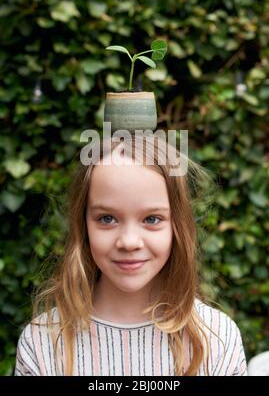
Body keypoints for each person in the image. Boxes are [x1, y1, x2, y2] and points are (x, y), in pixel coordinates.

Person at [14, 134, 248, 376]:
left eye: (151, 219)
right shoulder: (42, 343)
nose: (128, 242)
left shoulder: (217, 339)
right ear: (83, 225)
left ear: (177, 226)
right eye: (107, 218)